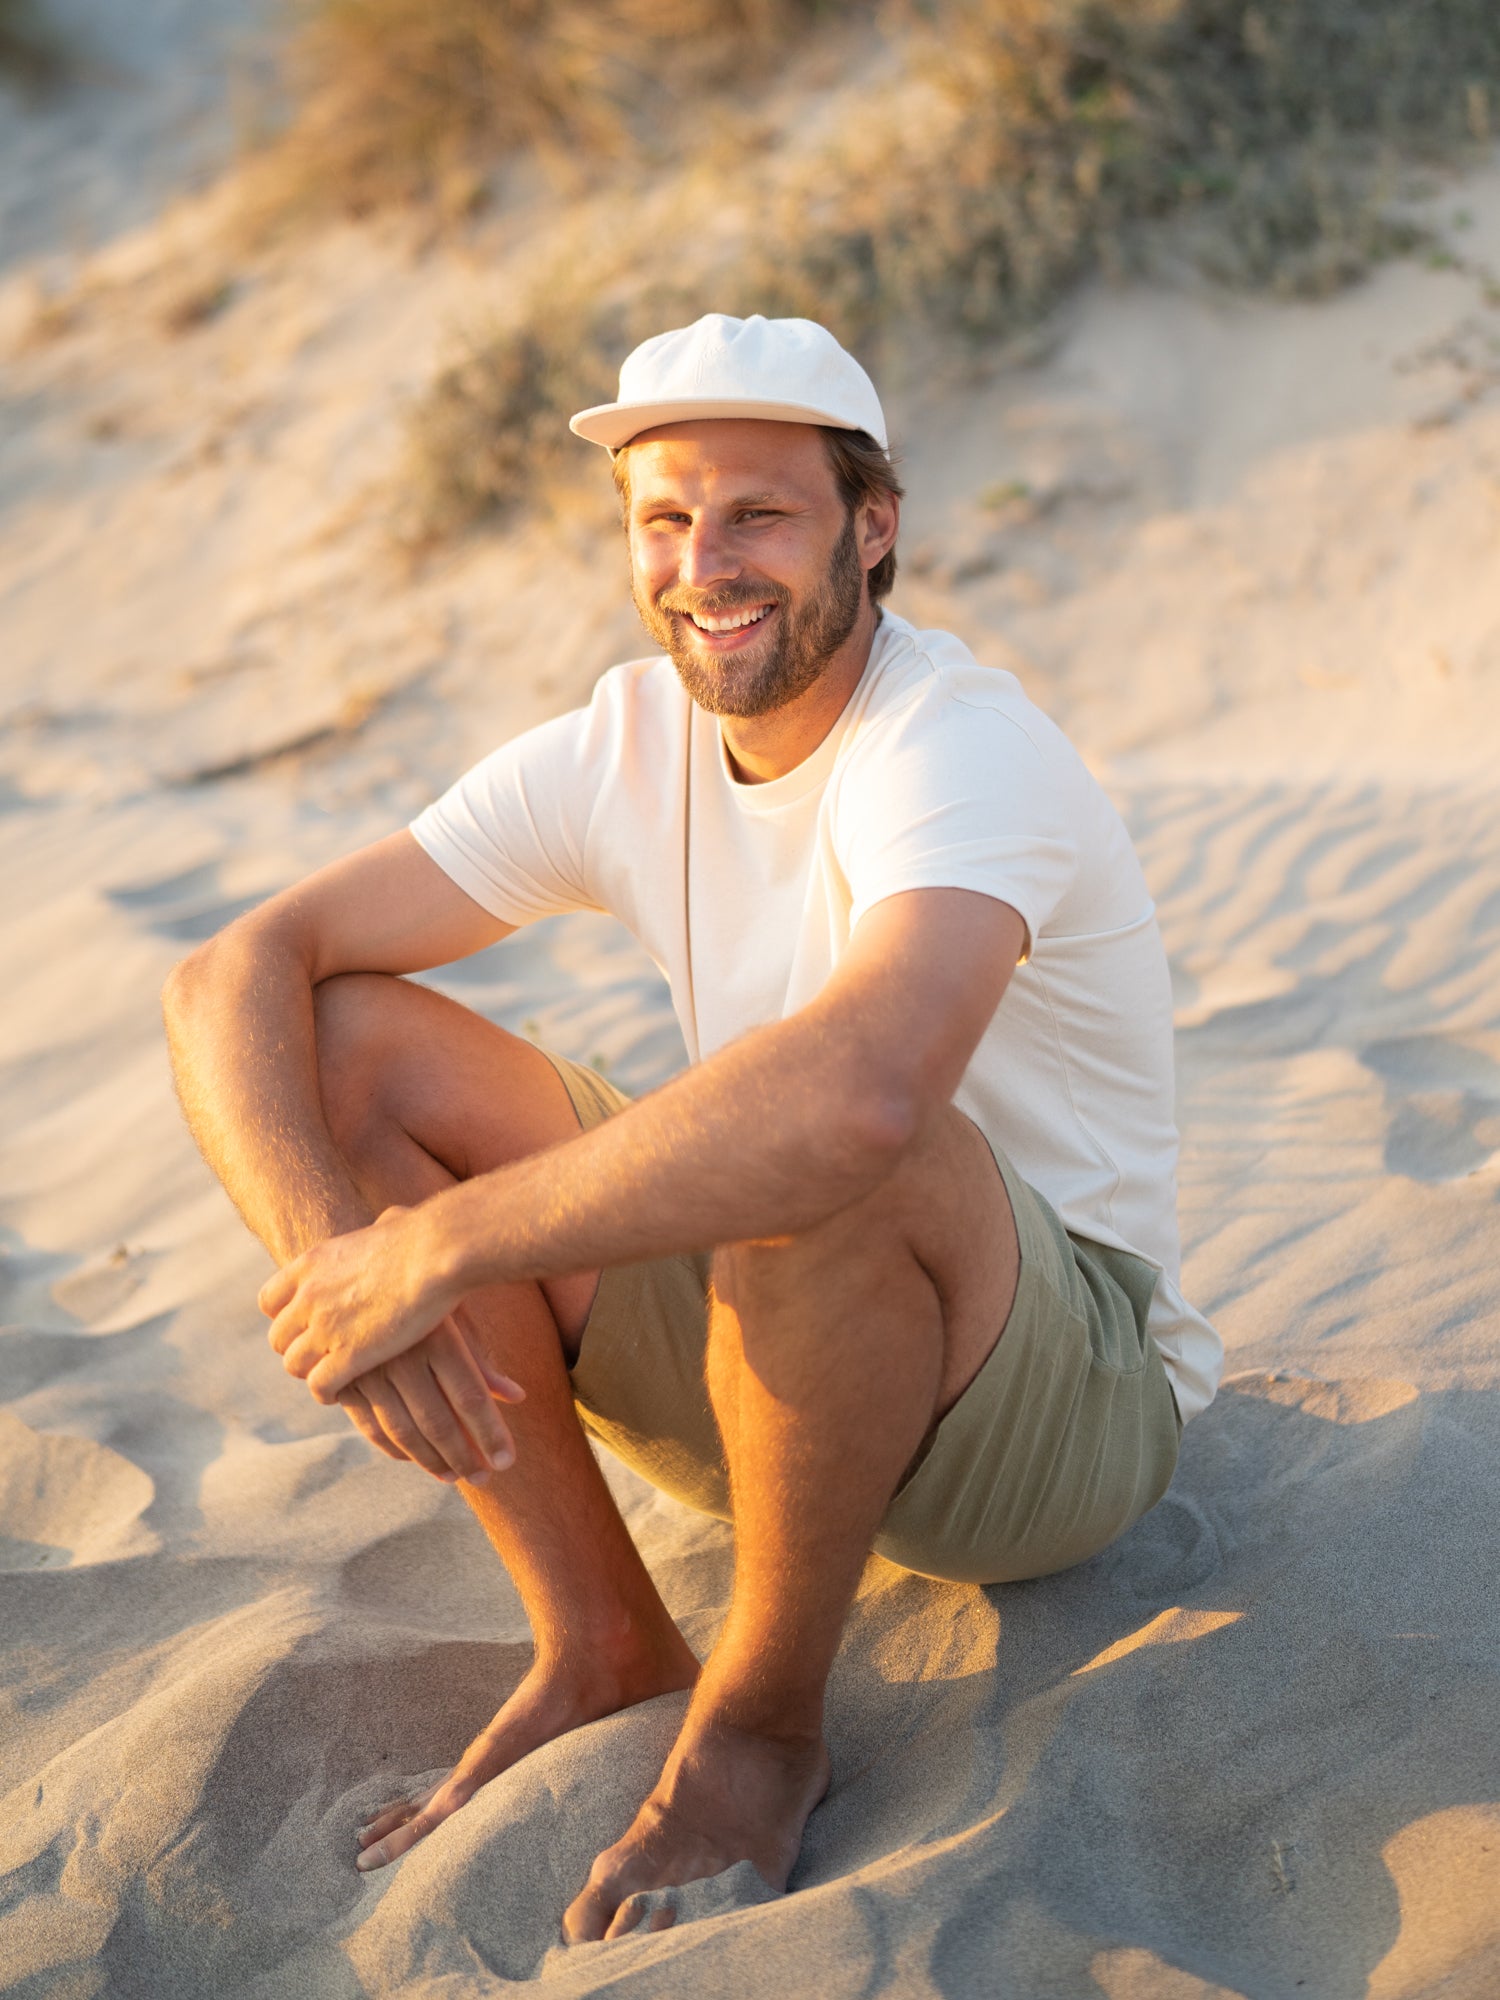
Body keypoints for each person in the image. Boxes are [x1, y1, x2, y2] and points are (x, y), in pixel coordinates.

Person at [163, 312, 1220, 1944]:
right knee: (346, 1043)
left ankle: (754, 1736)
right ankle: (603, 1642)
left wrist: (436, 1247)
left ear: (875, 527)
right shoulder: (628, 743)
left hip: (1057, 1418)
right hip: (779, 1367)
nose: (704, 564)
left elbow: (866, 1094)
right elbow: (241, 968)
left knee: (826, 1130)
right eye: (665, 519)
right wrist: (339, 1254)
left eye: (760, 516)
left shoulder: (956, 743)